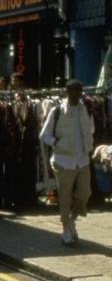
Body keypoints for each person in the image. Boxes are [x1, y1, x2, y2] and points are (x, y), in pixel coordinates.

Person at [39, 79, 94, 246]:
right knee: (65, 197)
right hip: (63, 162)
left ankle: (71, 220)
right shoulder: (56, 111)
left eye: (80, 91)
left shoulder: (85, 109)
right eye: (74, 91)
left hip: (82, 160)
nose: (78, 94)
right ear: (67, 92)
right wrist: (57, 143)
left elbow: (90, 129)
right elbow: (44, 136)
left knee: (85, 193)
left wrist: (89, 144)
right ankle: (66, 230)